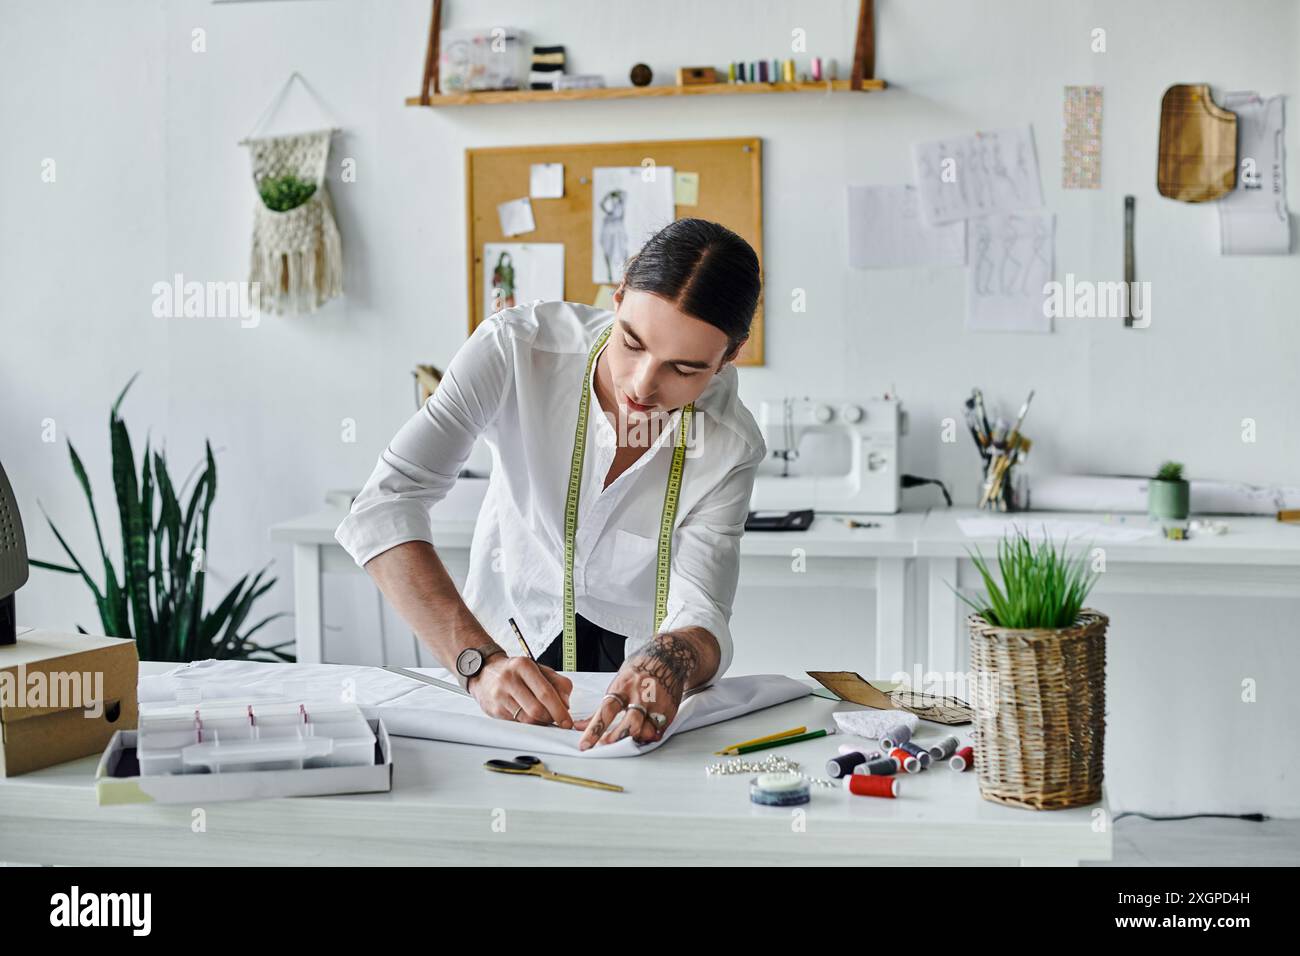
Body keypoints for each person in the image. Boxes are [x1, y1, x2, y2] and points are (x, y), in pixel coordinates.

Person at [335, 218, 765, 750]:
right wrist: (477, 663)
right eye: (632, 342)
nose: (641, 385)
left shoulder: (730, 444)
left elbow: (703, 611)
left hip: (635, 673)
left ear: (730, 355)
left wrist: (670, 661)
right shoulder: (516, 349)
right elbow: (383, 503)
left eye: (684, 369)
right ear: (619, 292)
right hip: (502, 647)